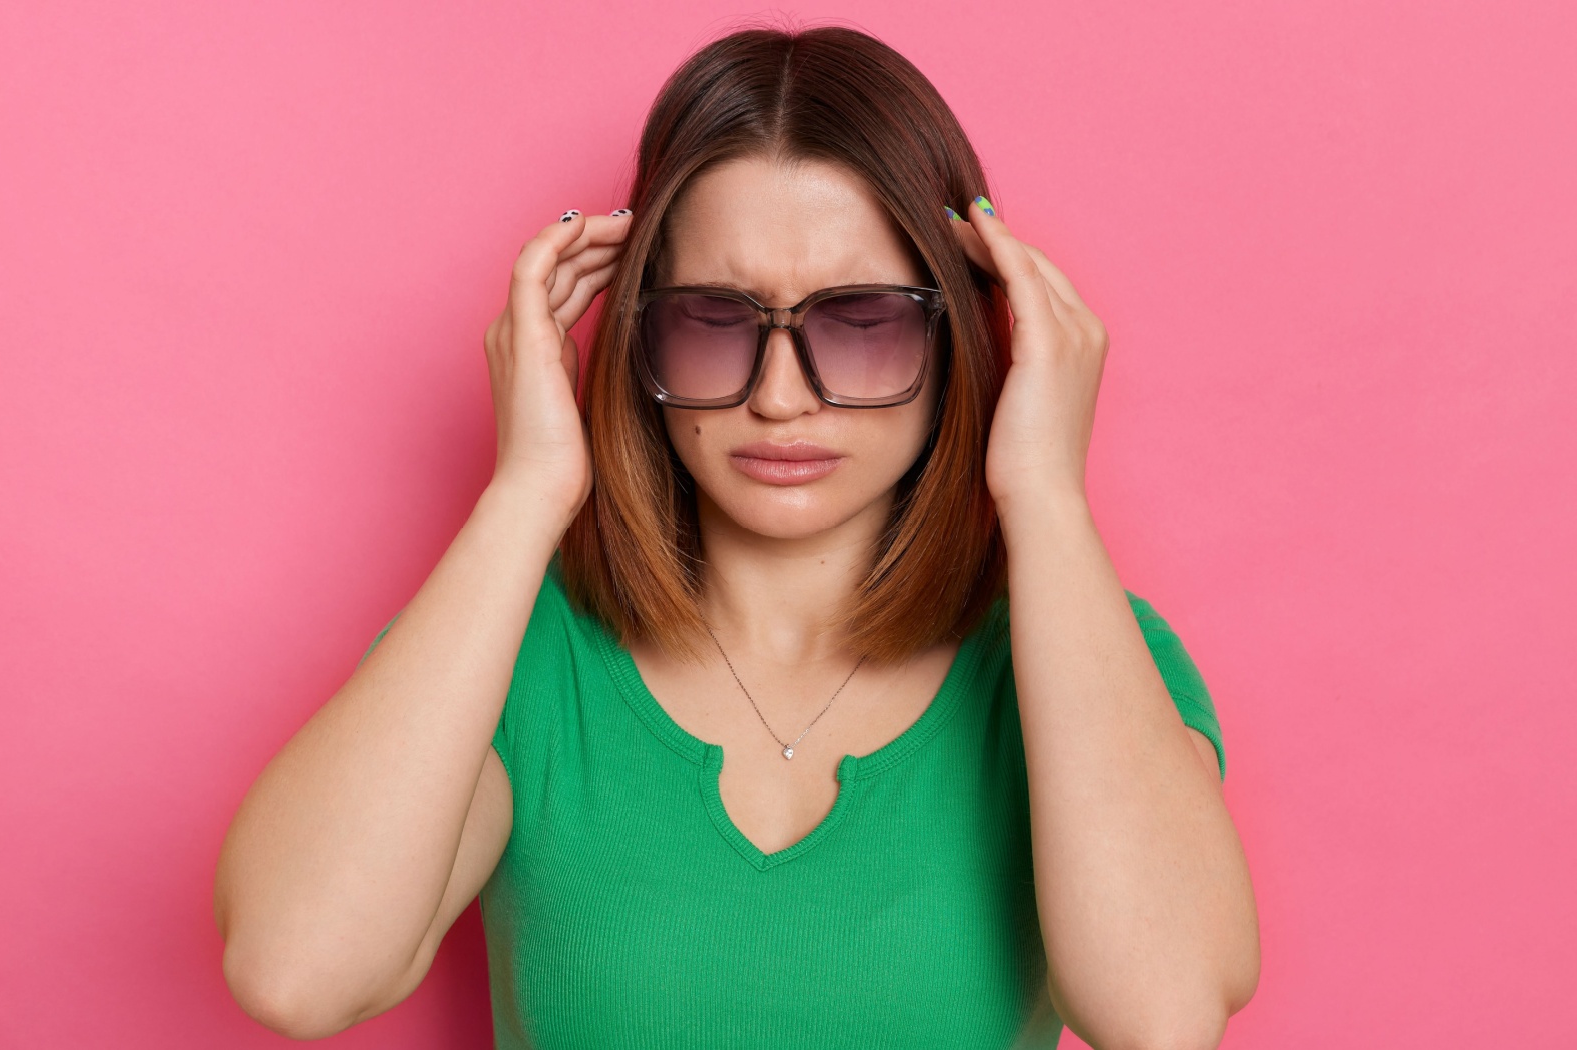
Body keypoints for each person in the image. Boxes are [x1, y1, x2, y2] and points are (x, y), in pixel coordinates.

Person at [213, 22, 1259, 1050]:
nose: (779, 397)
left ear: (964, 334)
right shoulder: (519, 658)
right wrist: (528, 488)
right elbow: (297, 970)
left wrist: (1043, 495)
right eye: (715, 319)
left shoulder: (1081, 656)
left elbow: (1161, 1017)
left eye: (861, 323)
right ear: (635, 332)